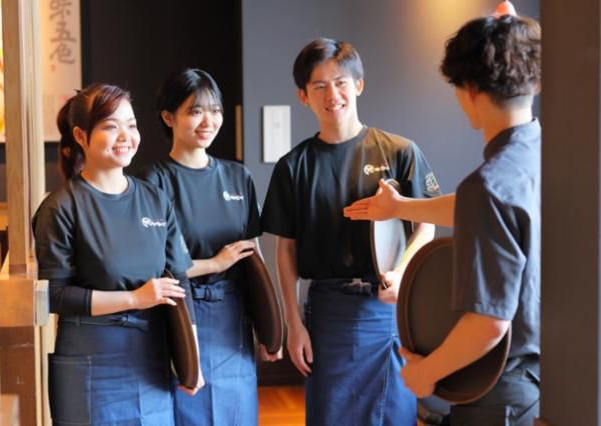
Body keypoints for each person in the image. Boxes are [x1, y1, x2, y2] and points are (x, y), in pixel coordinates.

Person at [344, 11, 541, 426]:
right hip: (553, 382)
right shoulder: (546, 156)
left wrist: (425, 374)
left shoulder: (489, 185)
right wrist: (400, 207)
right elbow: (480, 207)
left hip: (501, 392)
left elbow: (489, 322)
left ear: (469, 90)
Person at [261, 38, 440, 425]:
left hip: (387, 308)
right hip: (328, 312)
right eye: (319, 86)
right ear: (304, 96)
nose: (332, 95)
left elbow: (425, 226)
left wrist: (402, 272)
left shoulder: (399, 151)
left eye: (340, 82)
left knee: (394, 415)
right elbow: (285, 250)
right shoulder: (293, 167)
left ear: (358, 85)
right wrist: (293, 324)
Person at [33, 83, 194, 425]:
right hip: (90, 360)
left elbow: (179, 280)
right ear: (81, 136)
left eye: (131, 125)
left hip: (151, 357)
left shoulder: (155, 199)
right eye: (110, 126)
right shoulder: (60, 208)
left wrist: (191, 359)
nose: (125, 136)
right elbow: (56, 296)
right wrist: (134, 299)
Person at [137, 68, 281, 426]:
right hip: (180, 314)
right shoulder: (153, 181)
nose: (208, 121)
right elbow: (153, 264)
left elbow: (252, 253)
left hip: (233, 316)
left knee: (237, 414)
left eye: (215, 110)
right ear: (168, 117)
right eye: (195, 111)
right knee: (189, 411)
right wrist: (214, 264)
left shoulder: (238, 176)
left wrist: (270, 325)